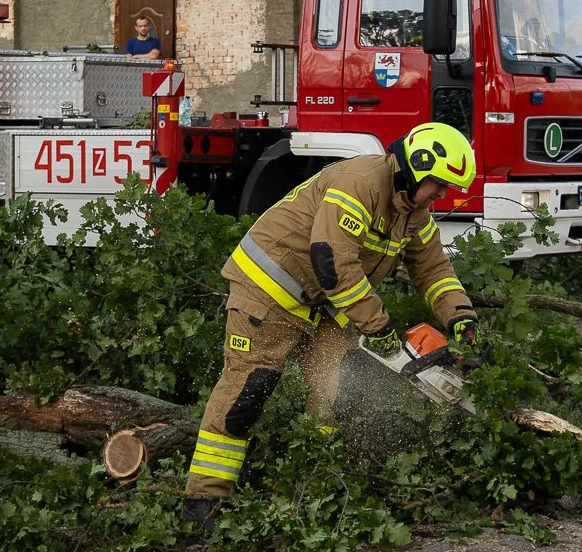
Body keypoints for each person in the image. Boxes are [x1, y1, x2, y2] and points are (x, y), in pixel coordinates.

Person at [183, 123, 481, 530]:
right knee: (248, 392)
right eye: (439, 185)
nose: (442, 196)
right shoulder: (359, 183)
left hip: (325, 307)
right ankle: (204, 502)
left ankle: (314, 485)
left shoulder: (414, 212)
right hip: (269, 292)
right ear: (416, 169)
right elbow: (332, 262)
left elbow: (434, 271)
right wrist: (378, 325)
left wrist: (461, 318)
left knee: (334, 393)